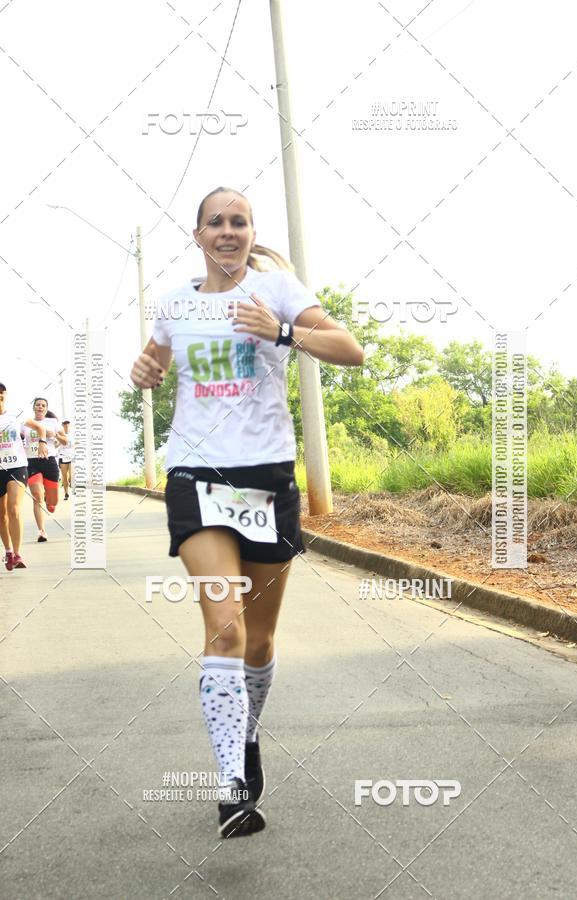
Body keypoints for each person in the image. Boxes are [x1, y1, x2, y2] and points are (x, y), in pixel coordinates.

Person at [131, 186, 364, 838]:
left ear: (249, 230)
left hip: (264, 479)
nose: (228, 231)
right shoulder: (175, 304)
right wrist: (142, 371)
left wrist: (285, 332)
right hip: (196, 476)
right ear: (199, 233)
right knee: (226, 630)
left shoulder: (279, 290)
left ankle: (247, 733)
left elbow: (352, 349)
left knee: (259, 640)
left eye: (239, 221)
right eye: (217, 222)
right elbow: (154, 366)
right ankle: (232, 784)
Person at [0, 383, 48, 570]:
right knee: (1, 515)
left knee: (13, 509)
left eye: (1, 395)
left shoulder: (15, 414)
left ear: (5, 395)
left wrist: (42, 442)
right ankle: (8, 551)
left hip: (17, 466)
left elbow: (39, 428)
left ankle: (18, 554)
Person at [22, 398, 67, 542]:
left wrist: (54, 435)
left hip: (49, 461)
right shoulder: (26, 424)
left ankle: (50, 501)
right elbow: (18, 439)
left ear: (46, 409)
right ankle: (42, 531)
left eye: (43, 405)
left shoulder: (53, 423)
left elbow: (65, 441)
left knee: (53, 502)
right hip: (32, 462)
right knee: (37, 495)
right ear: (34, 407)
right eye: (38, 405)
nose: (40, 407)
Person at [58, 420, 73, 500]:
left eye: (68, 423)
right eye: (64, 423)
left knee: (72, 474)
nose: (66, 424)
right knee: (64, 476)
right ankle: (66, 493)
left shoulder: (73, 434)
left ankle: (72, 482)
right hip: (62, 456)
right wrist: (60, 442)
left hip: (72, 456)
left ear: (69, 424)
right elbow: (55, 445)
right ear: (62, 425)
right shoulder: (59, 434)